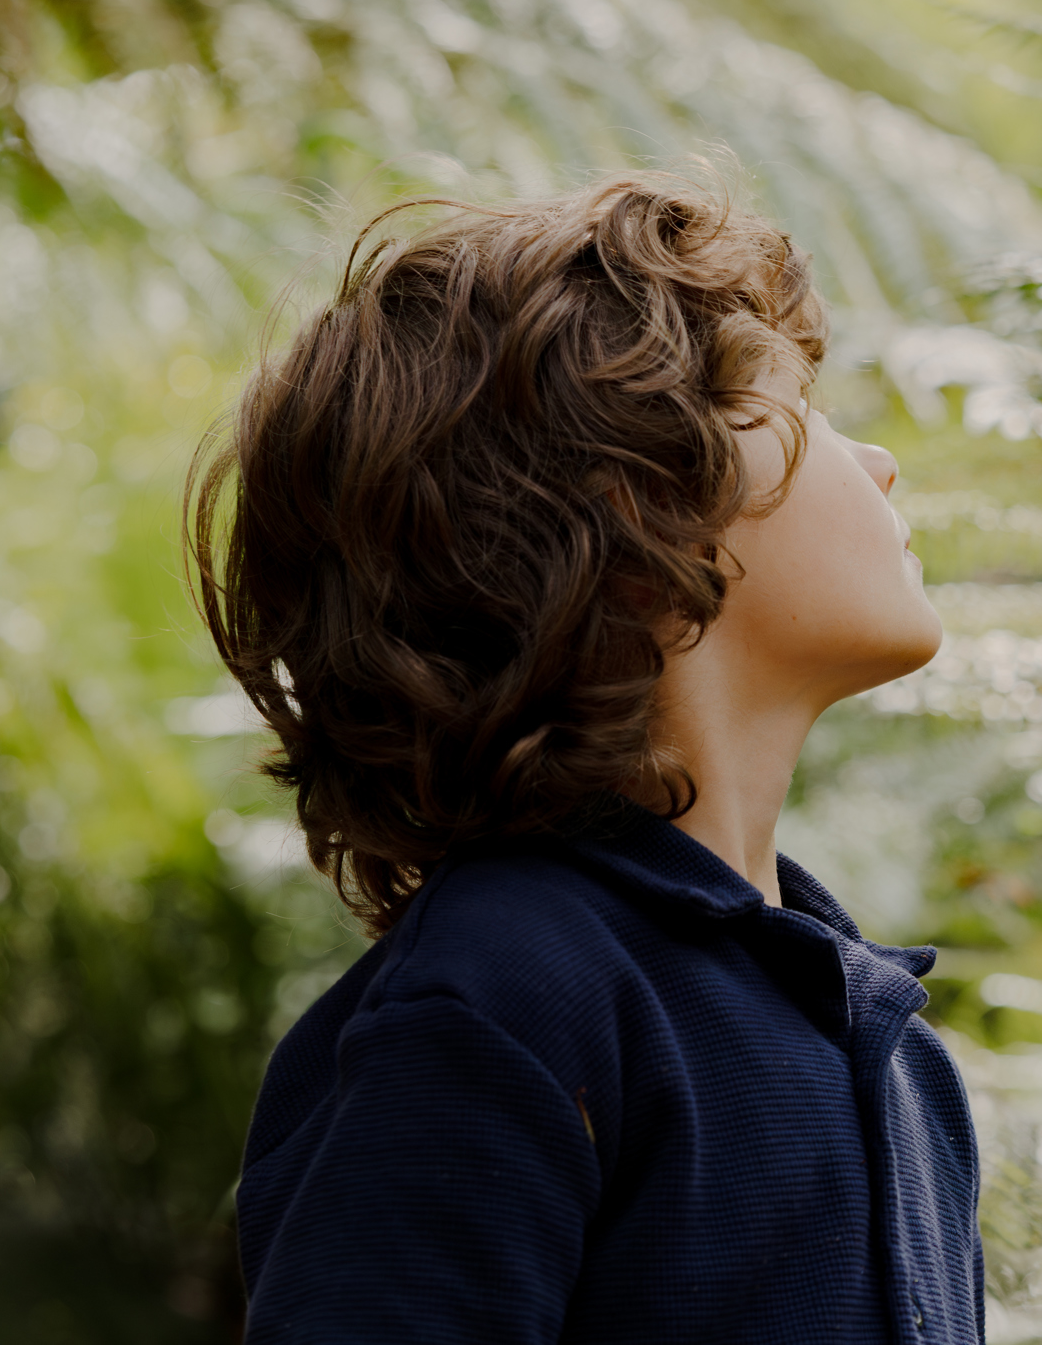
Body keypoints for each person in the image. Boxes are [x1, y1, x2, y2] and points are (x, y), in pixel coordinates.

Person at [188, 171, 980, 1343]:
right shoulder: (498, 1002)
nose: (877, 462)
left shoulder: (897, 1053)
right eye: (799, 401)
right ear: (639, 503)